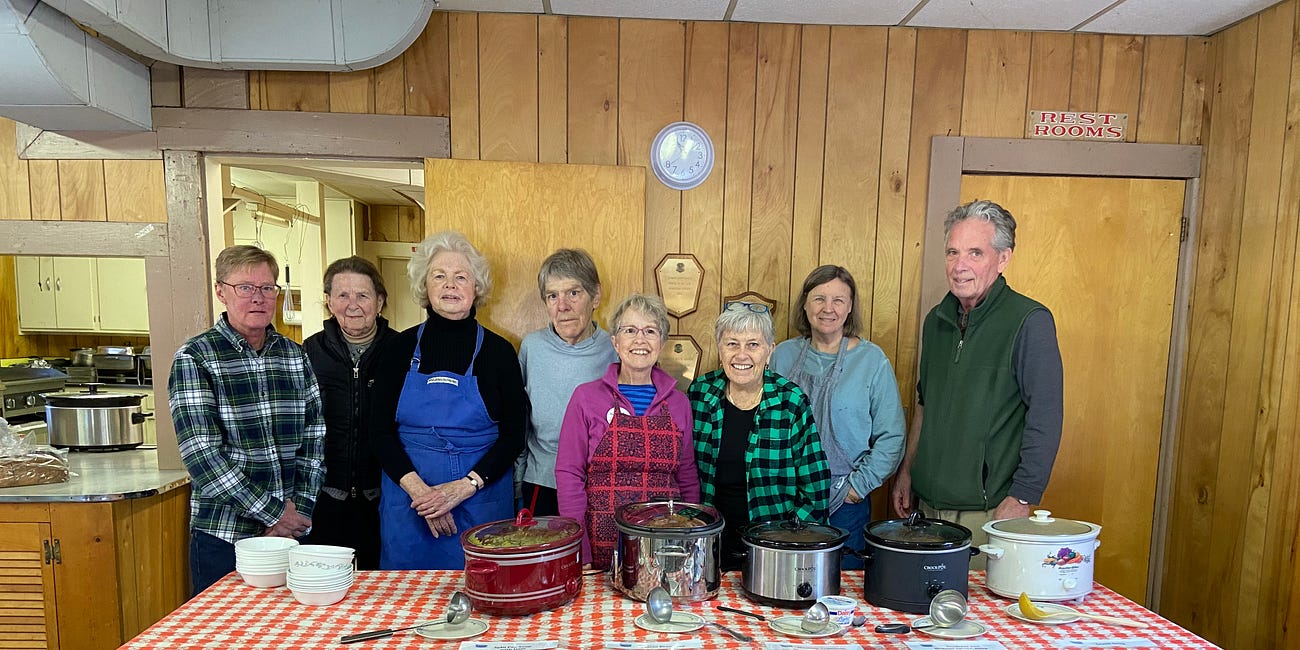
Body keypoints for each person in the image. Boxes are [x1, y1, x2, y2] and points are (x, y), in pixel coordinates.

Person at [890, 199, 1064, 567]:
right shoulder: (936, 321)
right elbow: (925, 404)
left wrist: (1023, 496)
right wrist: (907, 470)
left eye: (974, 252)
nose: (960, 265)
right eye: (952, 252)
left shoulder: (1030, 321)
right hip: (927, 510)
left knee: (980, 619)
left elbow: (1045, 416)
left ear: (1003, 259)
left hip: (988, 514)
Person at [169, 245, 325, 596]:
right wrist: (274, 515)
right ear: (221, 291)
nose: (258, 298)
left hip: (290, 535)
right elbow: (202, 457)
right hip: (225, 537)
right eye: (246, 288)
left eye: (267, 288)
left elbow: (314, 442)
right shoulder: (195, 358)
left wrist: (296, 515)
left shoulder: (295, 356)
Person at [370, 231, 527, 570]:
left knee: (484, 595)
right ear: (425, 287)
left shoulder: (499, 353)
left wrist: (463, 488)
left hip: (479, 499)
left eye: (461, 277)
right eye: (439, 276)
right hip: (410, 501)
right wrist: (423, 495)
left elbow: (515, 435)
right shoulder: (397, 349)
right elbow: (378, 431)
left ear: (476, 288)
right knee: (407, 602)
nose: (450, 285)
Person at [772, 265, 906, 569]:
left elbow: (892, 435)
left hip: (844, 502)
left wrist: (857, 489)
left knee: (840, 595)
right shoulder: (781, 355)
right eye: (819, 299)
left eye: (838, 300)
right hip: (786, 498)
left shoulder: (872, 361)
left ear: (850, 308)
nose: (828, 309)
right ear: (805, 304)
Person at [555, 294, 700, 568]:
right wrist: (579, 550)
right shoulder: (586, 398)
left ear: (661, 342)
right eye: (630, 330)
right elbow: (569, 475)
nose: (640, 340)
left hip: (665, 545)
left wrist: (689, 539)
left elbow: (688, 476)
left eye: (650, 331)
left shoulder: (679, 403)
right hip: (600, 544)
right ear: (615, 341)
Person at [689, 302, 831, 571]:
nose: (741, 355)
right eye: (732, 344)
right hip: (707, 544)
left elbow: (816, 488)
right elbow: (684, 470)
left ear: (769, 351)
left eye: (753, 345)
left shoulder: (791, 401)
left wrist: (788, 541)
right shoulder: (700, 393)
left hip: (774, 549)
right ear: (720, 349)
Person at [301, 256, 396, 570]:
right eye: (342, 295)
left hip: (385, 502)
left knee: (382, 596)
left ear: (380, 302)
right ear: (328, 301)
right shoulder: (308, 353)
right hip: (323, 502)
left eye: (363, 295)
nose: (352, 304)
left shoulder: (403, 351)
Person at [517, 249, 618, 516]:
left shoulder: (616, 349)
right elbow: (520, 419)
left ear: (595, 295)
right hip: (543, 480)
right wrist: (518, 478)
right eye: (553, 296)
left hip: (601, 482)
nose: (563, 306)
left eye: (573, 293)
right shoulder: (532, 348)